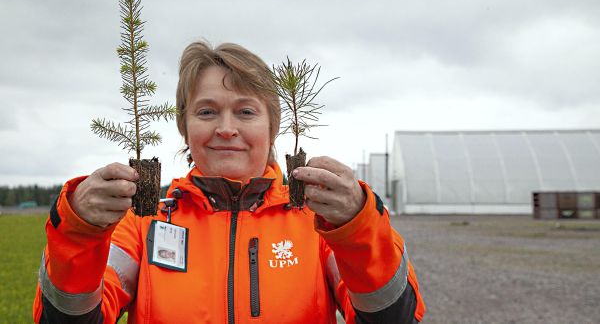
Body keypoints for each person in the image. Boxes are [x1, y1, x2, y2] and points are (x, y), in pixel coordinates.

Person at [32, 41, 425, 323]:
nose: (225, 128)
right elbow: (72, 316)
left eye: (245, 111)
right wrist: (80, 233)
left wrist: (356, 226)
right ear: (185, 128)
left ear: (273, 128)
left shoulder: (318, 220)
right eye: (206, 111)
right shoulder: (144, 220)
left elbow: (392, 316)